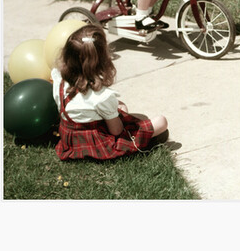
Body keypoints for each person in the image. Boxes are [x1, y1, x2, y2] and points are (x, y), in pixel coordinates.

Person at [51, 24, 169, 161]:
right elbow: (116, 131)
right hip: (97, 144)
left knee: (128, 111)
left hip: (70, 139)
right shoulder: (101, 96)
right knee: (161, 121)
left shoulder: (58, 78)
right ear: (102, 60)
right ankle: (139, 144)